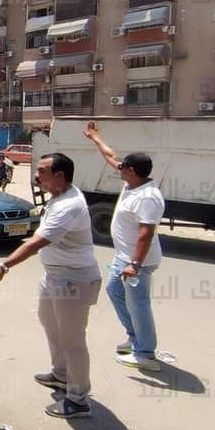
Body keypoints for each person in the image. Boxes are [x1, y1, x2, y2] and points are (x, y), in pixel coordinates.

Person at [0, 153, 101, 419]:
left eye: (42, 171)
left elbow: (36, 242)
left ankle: (78, 399)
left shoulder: (69, 206)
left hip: (73, 280)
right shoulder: (59, 197)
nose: (36, 176)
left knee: (73, 341)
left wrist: (4, 266)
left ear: (60, 175)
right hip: (55, 277)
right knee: (50, 325)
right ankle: (61, 375)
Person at [83, 121, 166, 371]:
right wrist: (96, 138)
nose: (119, 169)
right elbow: (111, 156)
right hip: (125, 257)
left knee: (139, 304)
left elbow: (146, 234)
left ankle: (146, 354)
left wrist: (135, 264)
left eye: (123, 168)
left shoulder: (148, 197)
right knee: (114, 291)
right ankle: (134, 337)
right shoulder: (133, 183)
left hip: (137, 262)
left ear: (131, 171)